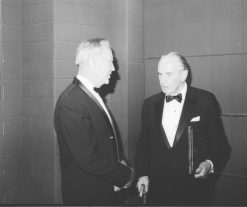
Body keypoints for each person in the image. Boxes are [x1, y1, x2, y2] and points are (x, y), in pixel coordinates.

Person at [135, 52, 231, 205]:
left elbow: (221, 145)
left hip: (194, 191)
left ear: (183, 75)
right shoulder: (149, 105)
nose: (162, 80)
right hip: (158, 191)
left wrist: (210, 163)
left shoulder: (205, 100)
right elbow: (143, 146)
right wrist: (142, 174)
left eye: (169, 74)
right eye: (159, 74)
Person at [54, 38, 135, 205]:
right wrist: (125, 175)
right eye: (110, 62)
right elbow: (88, 158)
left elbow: (103, 141)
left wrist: (119, 161)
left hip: (101, 189)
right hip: (88, 195)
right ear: (94, 62)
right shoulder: (72, 102)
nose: (114, 69)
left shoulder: (85, 96)